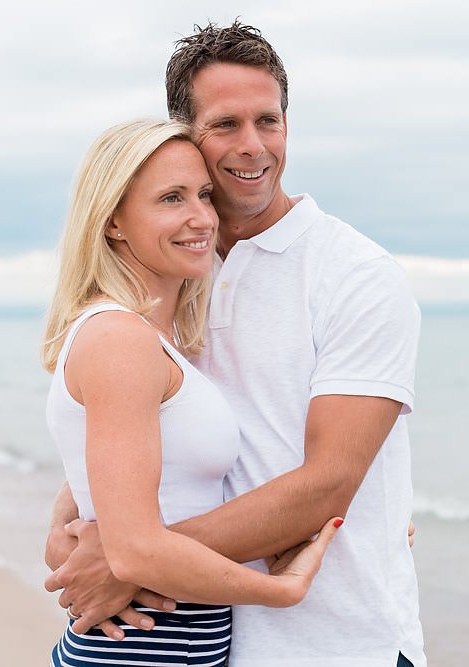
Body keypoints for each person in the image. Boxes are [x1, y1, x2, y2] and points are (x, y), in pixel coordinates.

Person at [45, 21, 426, 667]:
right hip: (206, 642)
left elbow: (327, 482)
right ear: (184, 133)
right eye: (225, 124)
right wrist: (83, 528)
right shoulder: (176, 271)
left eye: (268, 121)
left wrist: (131, 557)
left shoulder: (356, 274)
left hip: (338, 640)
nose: (253, 146)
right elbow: (130, 430)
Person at [41, 118, 341, 666]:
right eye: (171, 199)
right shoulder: (120, 339)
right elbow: (133, 549)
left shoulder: (156, 338)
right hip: (139, 654)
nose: (202, 217)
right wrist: (281, 590)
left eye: (203, 195)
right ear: (113, 222)